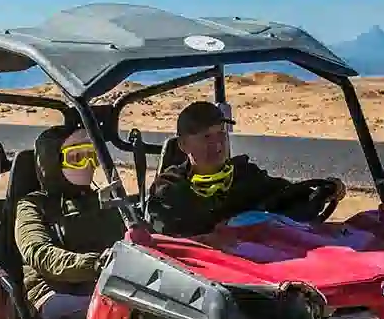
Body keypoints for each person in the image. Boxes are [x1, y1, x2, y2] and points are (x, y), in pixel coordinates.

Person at [145, 100, 346, 237]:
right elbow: (169, 243)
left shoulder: (246, 175)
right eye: (206, 137)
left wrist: (323, 193)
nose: (217, 144)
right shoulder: (170, 189)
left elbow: (287, 196)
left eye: (221, 134)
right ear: (183, 145)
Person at [13, 125, 126, 319]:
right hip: (52, 292)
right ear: (53, 162)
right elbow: (39, 253)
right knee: (118, 314)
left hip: (102, 285)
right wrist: (95, 264)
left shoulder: (97, 200)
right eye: (77, 158)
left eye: (91, 156)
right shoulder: (32, 205)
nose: (88, 165)